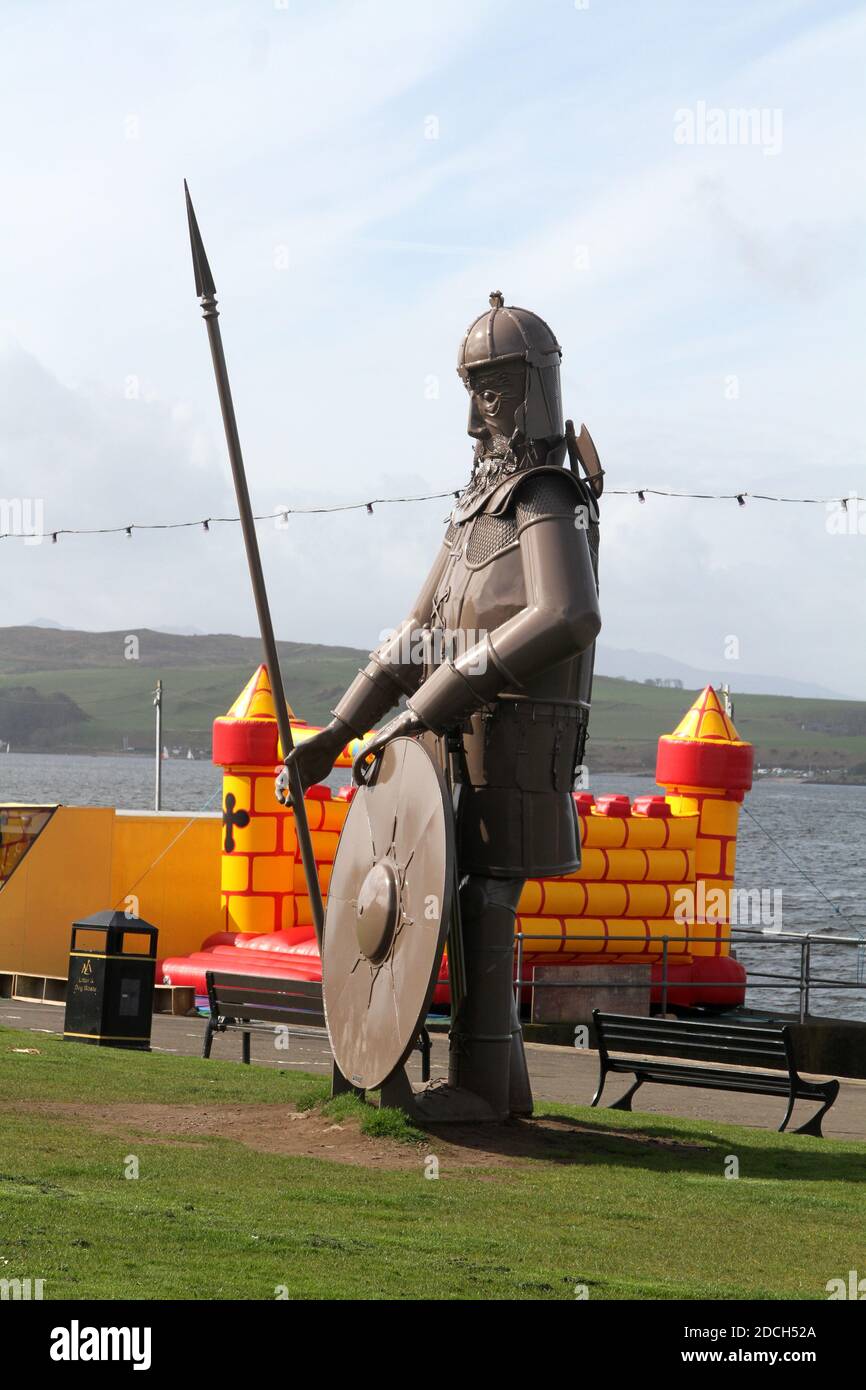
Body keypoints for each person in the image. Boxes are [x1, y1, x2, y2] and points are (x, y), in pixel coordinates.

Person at [281, 293, 601, 1120]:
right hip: (459, 746)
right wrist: (338, 730)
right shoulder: (468, 519)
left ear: (529, 388)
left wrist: (444, 693)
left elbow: (568, 613)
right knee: (460, 898)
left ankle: (482, 1090)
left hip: (520, 741)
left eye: (488, 391)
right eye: (470, 390)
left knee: (484, 898)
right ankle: (503, 1088)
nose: (472, 418)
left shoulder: (544, 498)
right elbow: (416, 634)